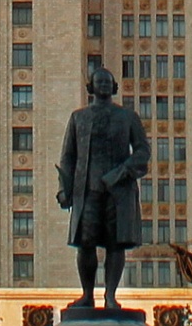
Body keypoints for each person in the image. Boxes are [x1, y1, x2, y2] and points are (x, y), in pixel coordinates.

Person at [57, 64, 150, 312]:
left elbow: (142, 152)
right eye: (99, 82)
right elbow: (68, 156)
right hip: (87, 191)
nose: (104, 85)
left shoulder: (128, 117)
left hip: (118, 192)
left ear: (114, 87)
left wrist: (122, 172)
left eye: (108, 82)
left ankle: (110, 296)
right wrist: (64, 188)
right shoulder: (79, 118)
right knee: (85, 243)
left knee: (115, 243)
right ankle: (87, 295)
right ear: (91, 87)